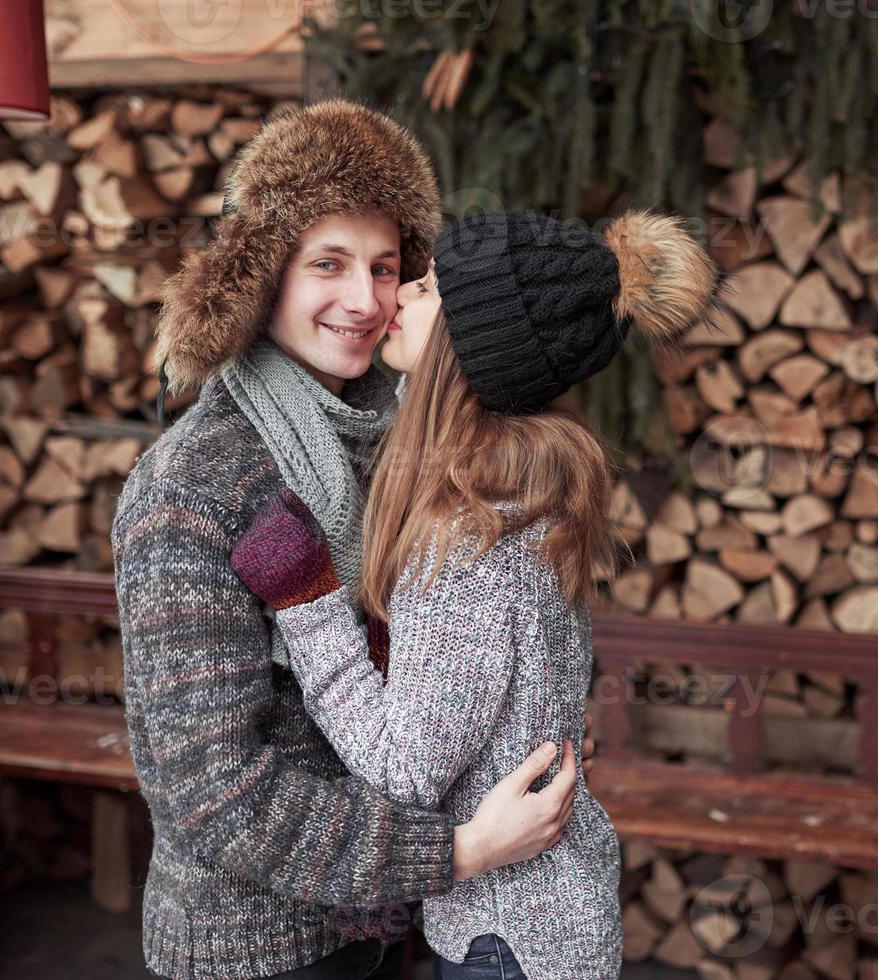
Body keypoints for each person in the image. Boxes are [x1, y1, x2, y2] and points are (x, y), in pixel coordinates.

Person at [110, 100, 579, 980]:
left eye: (386, 267)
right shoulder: (192, 485)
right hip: (258, 947)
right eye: (327, 264)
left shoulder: (411, 446)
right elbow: (209, 790)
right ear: (261, 275)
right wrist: (460, 854)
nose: (365, 301)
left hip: (387, 924)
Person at [230, 208, 723, 979]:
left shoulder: (471, 539)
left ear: (470, 342)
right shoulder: (518, 500)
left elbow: (401, 770)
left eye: (424, 287)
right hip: (536, 922)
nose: (395, 299)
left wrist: (308, 600)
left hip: (508, 939)